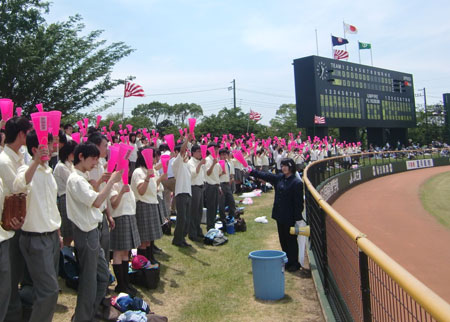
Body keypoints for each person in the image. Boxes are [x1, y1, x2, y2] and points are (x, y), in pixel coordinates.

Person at [66, 143, 123, 322]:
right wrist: (112, 181)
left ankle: (91, 312)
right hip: (86, 233)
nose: (94, 163)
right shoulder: (76, 179)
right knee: (89, 280)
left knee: (101, 276)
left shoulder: (82, 177)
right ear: (81, 156)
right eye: (92, 159)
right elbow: (97, 201)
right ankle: (83, 317)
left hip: (92, 231)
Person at [13, 130, 61, 322]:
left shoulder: (48, 171)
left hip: (51, 236)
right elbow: (19, 186)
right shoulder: (25, 169)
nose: (51, 148)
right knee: (49, 291)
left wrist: (58, 233)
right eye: (47, 145)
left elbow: (51, 205)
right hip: (35, 238)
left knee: (46, 290)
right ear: (35, 149)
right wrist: (34, 161)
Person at [0, 116, 32, 322]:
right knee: (8, 278)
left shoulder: (21, 156)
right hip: (8, 224)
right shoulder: (4, 160)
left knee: (15, 273)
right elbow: (17, 188)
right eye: (29, 132)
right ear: (21, 134)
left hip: (18, 221)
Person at [248, 158, 304, 272]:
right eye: (282, 165)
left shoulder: (297, 182)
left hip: (290, 216)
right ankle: (286, 260)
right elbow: (266, 175)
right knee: (282, 239)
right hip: (279, 215)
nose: (283, 168)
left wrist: (298, 219)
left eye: (285, 166)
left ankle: (294, 262)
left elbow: (299, 203)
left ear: (291, 167)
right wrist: (251, 171)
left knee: (291, 240)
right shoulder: (280, 178)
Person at [131, 147, 166, 264]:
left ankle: (150, 258)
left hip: (151, 203)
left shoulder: (149, 171)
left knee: (150, 238)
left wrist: (159, 179)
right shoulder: (138, 172)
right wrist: (147, 178)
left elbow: (154, 188)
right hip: (143, 205)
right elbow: (141, 191)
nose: (153, 160)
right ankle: (143, 261)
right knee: (143, 239)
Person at [109, 177, 140, 296]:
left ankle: (126, 282)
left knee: (126, 251)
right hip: (120, 216)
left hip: (130, 216)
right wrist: (121, 191)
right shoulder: (114, 182)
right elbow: (114, 203)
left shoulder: (126, 181)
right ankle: (120, 284)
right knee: (118, 251)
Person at [53, 140, 78, 246]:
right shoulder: (61, 167)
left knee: (72, 232)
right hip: (65, 198)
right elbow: (72, 182)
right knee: (67, 233)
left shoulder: (70, 165)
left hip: (71, 198)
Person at [171, 136, 193, 247]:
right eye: (184, 152)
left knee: (187, 219)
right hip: (180, 193)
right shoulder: (176, 163)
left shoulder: (186, 165)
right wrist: (187, 140)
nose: (186, 153)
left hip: (188, 193)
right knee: (182, 218)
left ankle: (182, 238)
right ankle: (177, 239)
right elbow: (182, 150)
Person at [187, 144, 206, 241]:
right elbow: (193, 175)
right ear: (193, 153)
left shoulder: (200, 162)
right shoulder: (191, 162)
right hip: (194, 187)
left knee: (199, 211)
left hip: (200, 187)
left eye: (201, 152)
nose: (200, 154)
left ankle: (198, 230)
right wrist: (200, 164)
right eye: (198, 151)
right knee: (193, 211)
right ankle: (192, 233)